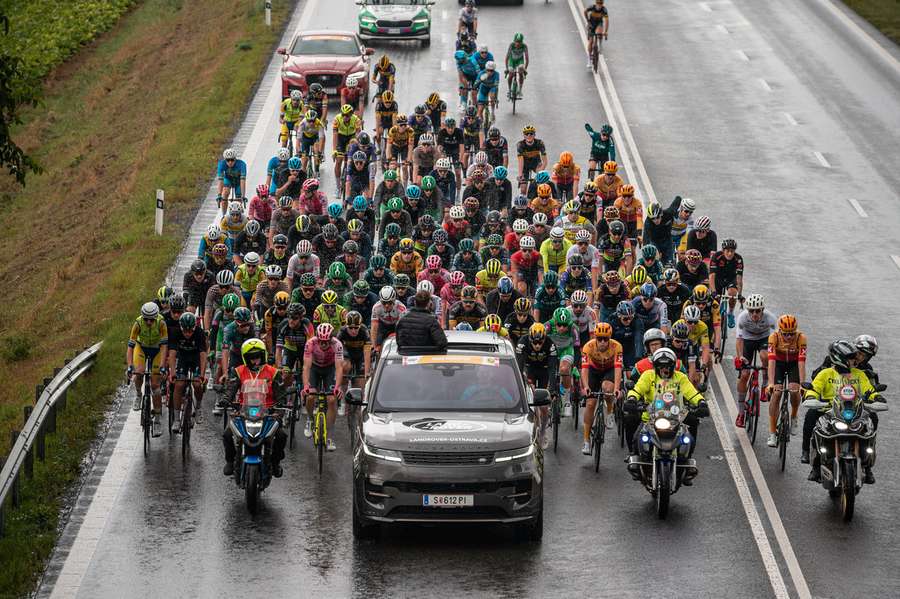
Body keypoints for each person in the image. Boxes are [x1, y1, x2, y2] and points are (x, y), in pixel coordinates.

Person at [803, 339, 883, 484]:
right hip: (828, 410)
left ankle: (867, 464)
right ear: (841, 359)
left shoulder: (859, 374)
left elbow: (868, 389)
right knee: (811, 418)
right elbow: (814, 389)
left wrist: (876, 397)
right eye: (851, 358)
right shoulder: (825, 373)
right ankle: (813, 462)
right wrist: (811, 396)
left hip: (854, 411)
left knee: (870, 423)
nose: (855, 360)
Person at [626, 348, 707, 484]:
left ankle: (686, 463)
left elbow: (691, 392)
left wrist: (701, 402)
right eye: (661, 366)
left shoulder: (680, 378)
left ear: (673, 366)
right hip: (650, 419)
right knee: (637, 438)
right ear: (656, 366)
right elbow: (636, 390)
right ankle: (635, 461)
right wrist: (632, 399)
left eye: (668, 366)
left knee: (689, 437)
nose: (665, 369)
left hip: (676, 420)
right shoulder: (648, 376)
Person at [222, 339, 287, 477]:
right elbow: (231, 388)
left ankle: (275, 462)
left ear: (263, 355)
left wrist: (281, 405)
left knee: (281, 436)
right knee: (227, 434)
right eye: (251, 358)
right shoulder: (238, 371)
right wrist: (226, 399)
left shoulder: (273, 372)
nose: (255, 360)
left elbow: (281, 394)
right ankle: (230, 461)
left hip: (269, 413)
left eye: (257, 356)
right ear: (246, 358)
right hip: (242, 412)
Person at [126, 303, 169, 437]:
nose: (149, 322)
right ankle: (139, 394)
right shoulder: (138, 323)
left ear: (156, 317)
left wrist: (162, 366)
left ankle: (157, 420)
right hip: (142, 348)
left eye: (151, 319)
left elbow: (164, 346)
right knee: (138, 372)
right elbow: (130, 347)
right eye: (146, 319)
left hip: (157, 350)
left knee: (155, 386)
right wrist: (129, 365)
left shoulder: (161, 323)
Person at [734, 294, 776, 428]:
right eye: (751, 311)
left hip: (764, 339)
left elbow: (777, 337)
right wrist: (740, 357)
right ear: (748, 310)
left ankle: (764, 384)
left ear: (762, 310)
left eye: (758, 311)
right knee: (745, 375)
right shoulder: (742, 317)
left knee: (765, 356)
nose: (755, 314)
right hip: (747, 341)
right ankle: (741, 412)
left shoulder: (770, 318)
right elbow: (739, 340)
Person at [580, 322, 623, 455]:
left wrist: (616, 388)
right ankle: (586, 441)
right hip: (593, 370)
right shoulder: (588, 347)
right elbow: (584, 369)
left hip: (609, 369)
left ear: (609, 338)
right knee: (590, 403)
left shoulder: (617, 347)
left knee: (607, 388)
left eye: (606, 339)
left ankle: (610, 411)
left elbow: (617, 368)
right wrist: (586, 386)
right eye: (600, 339)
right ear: (595, 338)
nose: (603, 342)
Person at [765, 314, 806, 448]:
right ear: (780, 331)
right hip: (778, 364)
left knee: (794, 390)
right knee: (776, 393)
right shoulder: (773, 337)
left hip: (793, 364)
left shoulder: (801, 338)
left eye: (791, 334)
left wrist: (802, 385)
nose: (789, 337)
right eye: (786, 334)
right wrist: (770, 383)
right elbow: (771, 362)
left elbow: (801, 363)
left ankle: (794, 416)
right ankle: (772, 433)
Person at [302, 323, 344, 450]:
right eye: (321, 341)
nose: (323, 344)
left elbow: (339, 368)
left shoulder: (337, 345)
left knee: (331, 400)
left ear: (331, 339)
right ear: (317, 338)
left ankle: (330, 436)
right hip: (314, 368)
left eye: (326, 342)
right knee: (310, 397)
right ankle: (310, 420)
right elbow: (306, 367)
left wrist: (337, 386)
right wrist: (305, 386)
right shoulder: (310, 343)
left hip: (329, 369)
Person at [166, 312, 208, 434]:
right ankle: (177, 419)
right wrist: (172, 372)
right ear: (181, 328)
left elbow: (203, 355)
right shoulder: (175, 332)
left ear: (194, 328)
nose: (188, 334)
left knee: (197, 384)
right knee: (179, 385)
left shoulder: (199, 333)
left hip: (196, 358)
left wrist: (202, 374)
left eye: (190, 331)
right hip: (183, 358)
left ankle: (198, 407)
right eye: (185, 331)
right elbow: (172, 354)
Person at [216, 148, 247, 215]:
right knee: (225, 193)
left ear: (235, 159)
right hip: (228, 180)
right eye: (228, 160)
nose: (230, 162)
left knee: (239, 199)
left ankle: (238, 215)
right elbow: (220, 180)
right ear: (225, 160)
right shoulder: (221, 164)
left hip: (238, 182)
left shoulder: (242, 165)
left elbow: (242, 181)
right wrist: (219, 194)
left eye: (232, 160)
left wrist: (243, 196)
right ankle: (223, 215)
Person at [584, 0, 609, 67]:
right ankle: (589, 59)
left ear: (602, 4)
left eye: (601, 3)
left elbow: (607, 21)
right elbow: (585, 11)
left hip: (598, 24)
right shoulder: (592, 7)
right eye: (598, 3)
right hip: (591, 24)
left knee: (600, 32)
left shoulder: (604, 9)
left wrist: (606, 31)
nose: (599, 5)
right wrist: (587, 21)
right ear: (596, 3)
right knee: (591, 42)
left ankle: (600, 45)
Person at [504, 32, 529, 98]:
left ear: (522, 42)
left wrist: (525, 69)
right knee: (511, 73)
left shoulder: (524, 46)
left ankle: (520, 90)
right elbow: (507, 58)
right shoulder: (511, 45)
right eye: (516, 41)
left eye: (519, 42)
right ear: (514, 41)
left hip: (520, 61)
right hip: (512, 60)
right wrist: (507, 68)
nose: (518, 43)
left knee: (521, 70)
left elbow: (527, 59)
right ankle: (509, 90)